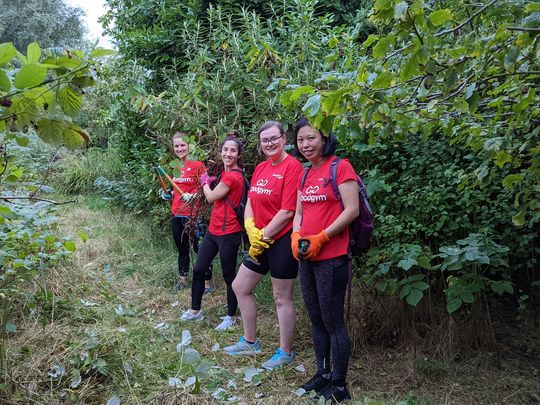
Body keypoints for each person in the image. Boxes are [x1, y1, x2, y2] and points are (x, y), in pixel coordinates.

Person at [224, 121, 304, 371]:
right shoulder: (260, 168)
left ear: (283, 139)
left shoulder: (294, 167)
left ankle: (285, 352)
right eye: (265, 140)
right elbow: (250, 201)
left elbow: (289, 210)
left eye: (274, 138)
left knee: (281, 297)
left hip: (280, 241)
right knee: (240, 285)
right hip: (260, 239)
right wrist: (250, 227)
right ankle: (250, 341)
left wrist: (264, 236)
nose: (269, 143)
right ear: (260, 145)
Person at [291, 118, 359, 402]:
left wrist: (322, 236)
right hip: (307, 257)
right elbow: (299, 213)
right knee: (316, 318)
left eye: (311, 138)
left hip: (332, 257)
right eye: (301, 140)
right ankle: (323, 373)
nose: (306, 145)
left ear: (324, 138)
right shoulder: (305, 174)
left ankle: (340, 386)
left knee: (333, 322)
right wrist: (296, 236)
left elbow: (352, 210)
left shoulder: (339, 167)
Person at [179, 134, 245, 331]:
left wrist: (204, 181)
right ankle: (195, 310)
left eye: (233, 150)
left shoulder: (234, 176)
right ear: (221, 151)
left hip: (229, 233)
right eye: (225, 150)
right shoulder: (225, 175)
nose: (228, 153)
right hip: (213, 231)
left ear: (239, 154)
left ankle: (231, 316)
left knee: (228, 275)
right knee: (199, 269)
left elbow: (210, 198)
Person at [160, 131, 212, 292]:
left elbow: (206, 190)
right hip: (177, 214)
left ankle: (207, 283)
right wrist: (167, 194)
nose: (180, 148)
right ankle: (182, 280)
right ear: (173, 148)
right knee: (182, 249)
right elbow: (174, 190)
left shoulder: (198, 165)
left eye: (183, 145)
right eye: (177, 146)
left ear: (188, 146)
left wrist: (194, 195)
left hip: (195, 214)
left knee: (200, 249)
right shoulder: (174, 166)